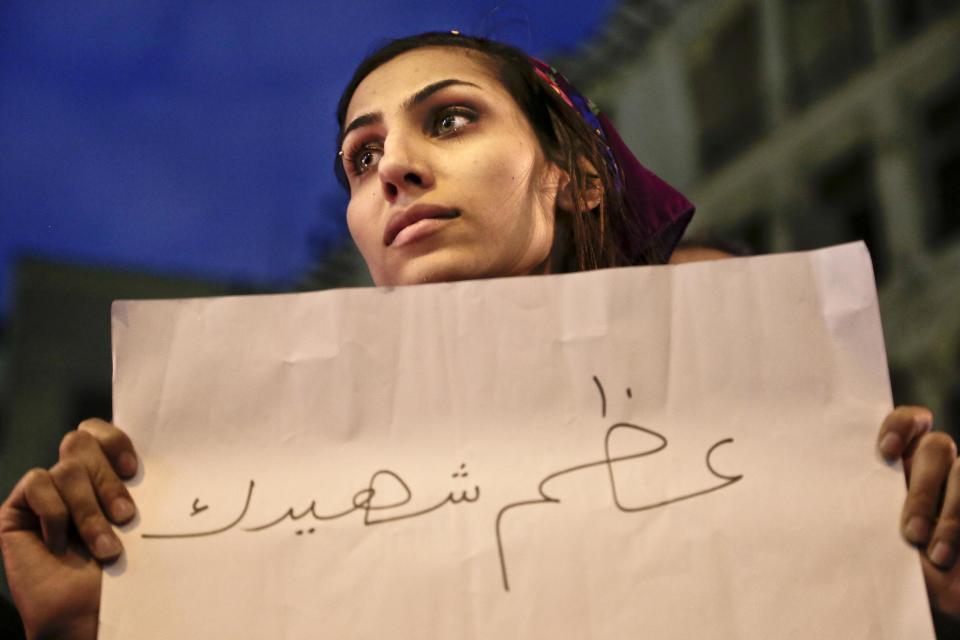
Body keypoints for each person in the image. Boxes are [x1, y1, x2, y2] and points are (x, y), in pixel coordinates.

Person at [1, 31, 957, 638]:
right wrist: (106, 615)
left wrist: (925, 586)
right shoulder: (239, 476)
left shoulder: (739, 337)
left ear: (574, 174)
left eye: (449, 120)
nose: (394, 170)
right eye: (361, 157)